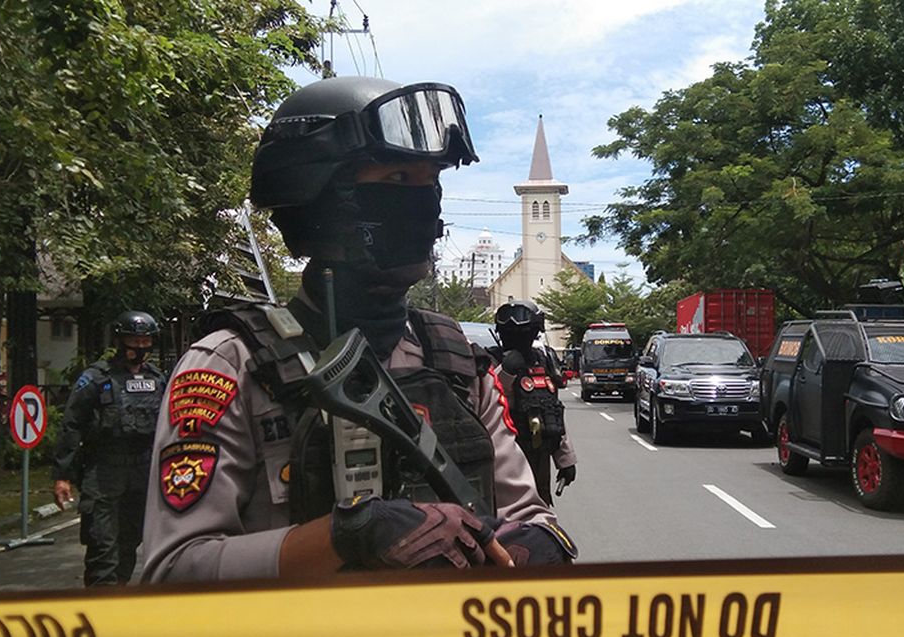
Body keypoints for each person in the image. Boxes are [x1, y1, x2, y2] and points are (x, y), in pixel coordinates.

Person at [142, 76, 576, 582]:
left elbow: (527, 514)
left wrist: (535, 546)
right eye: (396, 180)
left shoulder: (456, 359)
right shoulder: (232, 367)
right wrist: (343, 536)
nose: (424, 204)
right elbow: (172, 571)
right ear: (319, 198)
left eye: (430, 183)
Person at [53, 311, 165, 585]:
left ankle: (118, 600)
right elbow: (71, 425)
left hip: (142, 471)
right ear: (120, 340)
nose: (139, 347)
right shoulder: (96, 378)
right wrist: (62, 476)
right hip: (103, 472)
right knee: (103, 547)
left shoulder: (158, 379)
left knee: (130, 544)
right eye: (133, 340)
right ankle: (101, 609)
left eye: (145, 340)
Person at [489, 300, 577, 504]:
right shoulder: (491, 362)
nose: (517, 338)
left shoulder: (543, 361)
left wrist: (565, 460)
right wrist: (506, 371)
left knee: (539, 513)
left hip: (539, 457)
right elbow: (488, 400)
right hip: (503, 458)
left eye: (524, 332)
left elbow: (553, 412)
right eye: (509, 332)